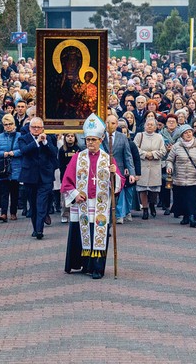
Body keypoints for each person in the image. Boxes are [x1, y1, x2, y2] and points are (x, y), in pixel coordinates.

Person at [61, 114, 124, 279]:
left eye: (93, 140)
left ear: (101, 139)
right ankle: (83, 265)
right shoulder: (78, 157)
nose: (90, 142)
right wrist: (75, 194)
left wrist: (114, 174)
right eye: (88, 139)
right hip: (82, 205)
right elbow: (66, 181)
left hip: (99, 205)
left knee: (99, 235)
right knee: (81, 235)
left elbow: (119, 183)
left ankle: (97, 269)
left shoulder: (108, 159)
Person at [17, 117, 58, 239]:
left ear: (42, 128)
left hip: (45, 177)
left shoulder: (49, 138)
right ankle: (35, 228)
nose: (36, 129)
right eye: (34, 127)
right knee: (33, 205)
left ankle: (40, 230)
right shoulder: (23, 138)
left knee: (41, 204)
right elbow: (24, 151)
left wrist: (45, 142)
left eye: (38, 127)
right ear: (29, 128)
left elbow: (54, 152)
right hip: (30, 177)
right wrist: (36, 142)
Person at [166, 125, 196, 227]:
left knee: (192, 198)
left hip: (194, 178)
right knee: (182, 199)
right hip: (180, 178)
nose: (188, 134)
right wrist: (169, 167)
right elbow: (170, 160)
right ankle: (186, 216)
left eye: (190, 132)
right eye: (185, 133)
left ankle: (192, 217)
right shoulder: (176, 146)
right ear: (181, 135)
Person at [101, 114, 135, 224]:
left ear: (116, 125)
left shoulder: (122, 137)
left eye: (113, 123)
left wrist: (132, 173)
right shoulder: (100, 137)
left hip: (118, 170)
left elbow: (128, 156)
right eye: (107, 122)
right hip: (103, 170)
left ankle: (118, 215)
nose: (110, 125)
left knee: (117, 194)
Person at [0, 114, 22, 222]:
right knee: (4, 192)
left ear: (14, 124)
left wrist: (15, 153)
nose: (8, 126)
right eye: (6, 124)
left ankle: (13, 212)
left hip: (16, 167)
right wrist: (3, 153)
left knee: (14, 192)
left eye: (10, 124)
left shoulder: (19, 136)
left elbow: (23, 149)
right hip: (3, 168)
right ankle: (3, 213)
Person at [134, 118, 166, 220]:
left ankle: (152, 204)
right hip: (142, 165)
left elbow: (163, 151)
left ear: (156, 127)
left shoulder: (159, 137)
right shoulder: (139, 136)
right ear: (145, 125)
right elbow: (135, 149)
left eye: (152, 125)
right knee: (142, 189)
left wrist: (152, 154)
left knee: (153, 191)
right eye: (148, 124)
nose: (150, 126)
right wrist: (145, 154)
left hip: (155, 165)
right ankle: (145, 209)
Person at [58, 133, 81, 223]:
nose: (70, 138)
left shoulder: (78, 149)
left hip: (76, 176)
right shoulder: (62, 150)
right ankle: (64, 214)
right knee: (64, 197)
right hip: (65, 175)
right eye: (68, 136)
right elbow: (60, 164)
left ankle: (75, 213)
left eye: (72, 136)